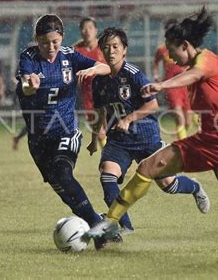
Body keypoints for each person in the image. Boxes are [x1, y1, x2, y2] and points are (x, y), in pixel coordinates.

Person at [87, 8, 218, 253]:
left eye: (172, 51)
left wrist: (161, 84)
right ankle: (110, 223)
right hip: (204, 138)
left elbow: (194, 75)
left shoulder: (206, 61)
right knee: (147, 168)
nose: (171, 58)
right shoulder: (191, 66)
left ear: (184, 45)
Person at [87, 27, 210, 234]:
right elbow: (100, 111)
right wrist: (94, 138)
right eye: (106, 47)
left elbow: (152, 106)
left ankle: (195, 187)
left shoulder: (134, 75)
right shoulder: (99, 81)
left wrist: (128, 118)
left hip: (146, 138)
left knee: (168, 186)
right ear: (101, 51)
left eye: (116, 46)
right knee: (107, 178)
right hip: (118, 140)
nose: (111, 51)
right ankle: (125, 227)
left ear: (124, 50)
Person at [16, 14, 112, 249]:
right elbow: (25, 87)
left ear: (62, 39)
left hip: (66, 131)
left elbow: (106, 66)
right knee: (63, 189)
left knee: (64, 174)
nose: (51, 48)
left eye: (55, 42)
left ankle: (99, 232)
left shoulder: (69, 56)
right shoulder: (28, 58)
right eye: (45, 42)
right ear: (37, 40)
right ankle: (99, 222)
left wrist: (93, 71)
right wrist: (30, 85)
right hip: (38, 140)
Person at [153, 18, 193, 140]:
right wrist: (156, 76)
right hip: (172, 85)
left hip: (185, 84)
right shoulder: (161, 49)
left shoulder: (184, 46)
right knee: (179, 115)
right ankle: (183, 144)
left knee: (188, 121)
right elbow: (155, 63)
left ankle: (180, 139)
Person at [73, 17, 107, 148]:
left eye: (90, 28)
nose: (87, 31)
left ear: (96, 30)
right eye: (84, 28)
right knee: (99, 131)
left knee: (110, 129)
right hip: (88, 95)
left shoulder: (105, 47)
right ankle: (110, 160)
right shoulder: (76, 50)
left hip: (106, 91)